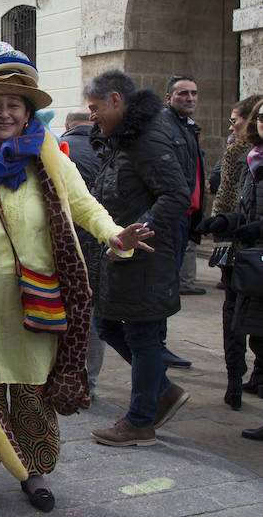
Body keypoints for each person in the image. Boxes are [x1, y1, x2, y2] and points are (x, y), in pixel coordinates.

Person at [0, 45, 152, 513]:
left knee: (33, 389)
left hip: (40, 300)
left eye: (14, 104)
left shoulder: (50, 157)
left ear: (29, 111)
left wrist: (116, 235)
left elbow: (85, 206)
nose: (4, 112)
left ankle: (34, 470)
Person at [84, 69, 192, 448]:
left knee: (143, 336)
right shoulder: (121, 140)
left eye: (95, 107)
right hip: (122, 257)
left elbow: (176, 195)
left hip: (146, 259)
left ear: (116, 99)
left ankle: (141, 421)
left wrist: (139, 230)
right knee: (108, 325)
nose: (92, 115)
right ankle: (160, 391)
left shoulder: (145, 139)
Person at [197, 97, 263, 409]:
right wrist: (224, 222)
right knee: (237, 317)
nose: (233, 125)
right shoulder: (249, 157)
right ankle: (238, 378)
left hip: (251, 249)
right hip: (241, 248)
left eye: (237, 119)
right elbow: (240, 205)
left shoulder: (247, 156)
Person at [59, 109, 106, 400]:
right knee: (90, 309)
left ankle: (66, 371)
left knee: (63, 305)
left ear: (67, 125)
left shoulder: (59, 151)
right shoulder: (106, 148)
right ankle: (89, 379)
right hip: (97, 238)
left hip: (66, 241)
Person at [164, 75, 206, 352]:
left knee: (173, 281)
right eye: (183, 94)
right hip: (173, 218)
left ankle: (160, 342)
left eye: (193, 93)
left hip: (187, 215)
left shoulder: (189, 128)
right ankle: (159, 344)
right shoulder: (166, 127)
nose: (190, 98)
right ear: (169, 98)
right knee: (167, 284)